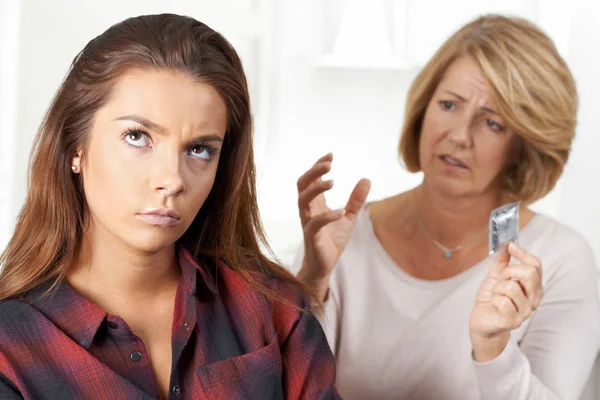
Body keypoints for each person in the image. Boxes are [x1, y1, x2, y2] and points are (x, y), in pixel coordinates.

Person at [0, 14, 340, 399]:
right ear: (75, 146)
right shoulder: (10, 349)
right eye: (137, 136)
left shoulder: (273, 310)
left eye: (200, 150)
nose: (173, 179)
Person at [293, 14, 600, 400]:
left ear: (524, 145)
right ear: (424, 108)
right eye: (449, 105)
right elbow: (279, 382)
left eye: (492, 123)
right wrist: (310, 281)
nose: (458, 136)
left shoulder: (559, 259)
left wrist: (494, 349)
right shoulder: (341, 237)